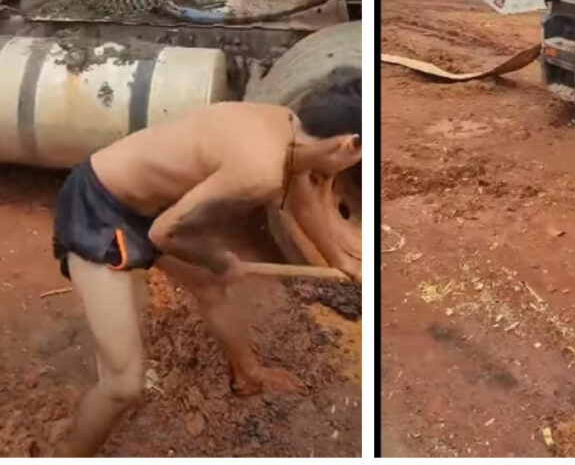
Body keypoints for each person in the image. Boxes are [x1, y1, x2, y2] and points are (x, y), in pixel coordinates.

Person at [52, 81, 361, 457]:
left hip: (148, 204)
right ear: (349, 145)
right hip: (99, 207)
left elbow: (306, 205)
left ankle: (247, 375)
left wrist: (343, 264)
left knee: (213, 287)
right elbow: (164, 233)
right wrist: (220, 260)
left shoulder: (286, 126)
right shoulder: (259, 171)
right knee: (123, 385)